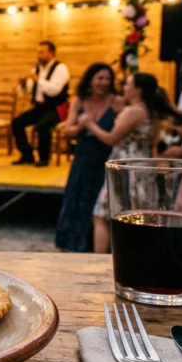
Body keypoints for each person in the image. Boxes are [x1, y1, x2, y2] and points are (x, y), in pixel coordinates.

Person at [87, 73, 176, 253]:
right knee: (138, 213)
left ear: (138, 90)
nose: (124, 88)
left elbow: (112, 138)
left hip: (125, 166)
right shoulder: (150, 111)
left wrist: (90, 125)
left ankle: (99, 258)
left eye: (127, 84)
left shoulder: (134, 111)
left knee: (102, 214)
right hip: (143, 165)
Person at [55, 63, 120, 252]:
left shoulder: (116, 102)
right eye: (100, 78)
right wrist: (82, 126)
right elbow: (68, 131)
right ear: (90, 80)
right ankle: (73, 244)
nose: (104, 82)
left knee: (99, 203)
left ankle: (98, 246)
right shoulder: (80, 101)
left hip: (106, 158)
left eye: (107, 79)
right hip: (83, 159)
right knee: (78, 200)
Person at [12, 41, 70, 167]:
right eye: (38, 52)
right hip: (40, 107)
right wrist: (23, 84)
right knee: (17, 123)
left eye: (42, 52)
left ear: (51, 54)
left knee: (42, 126)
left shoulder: (60, 68)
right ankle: (27, 155)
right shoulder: (36, 69)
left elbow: (54, 91)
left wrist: (38, 80)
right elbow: (27, 91)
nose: (38, 55)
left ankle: (44, 158)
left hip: (57, 108)